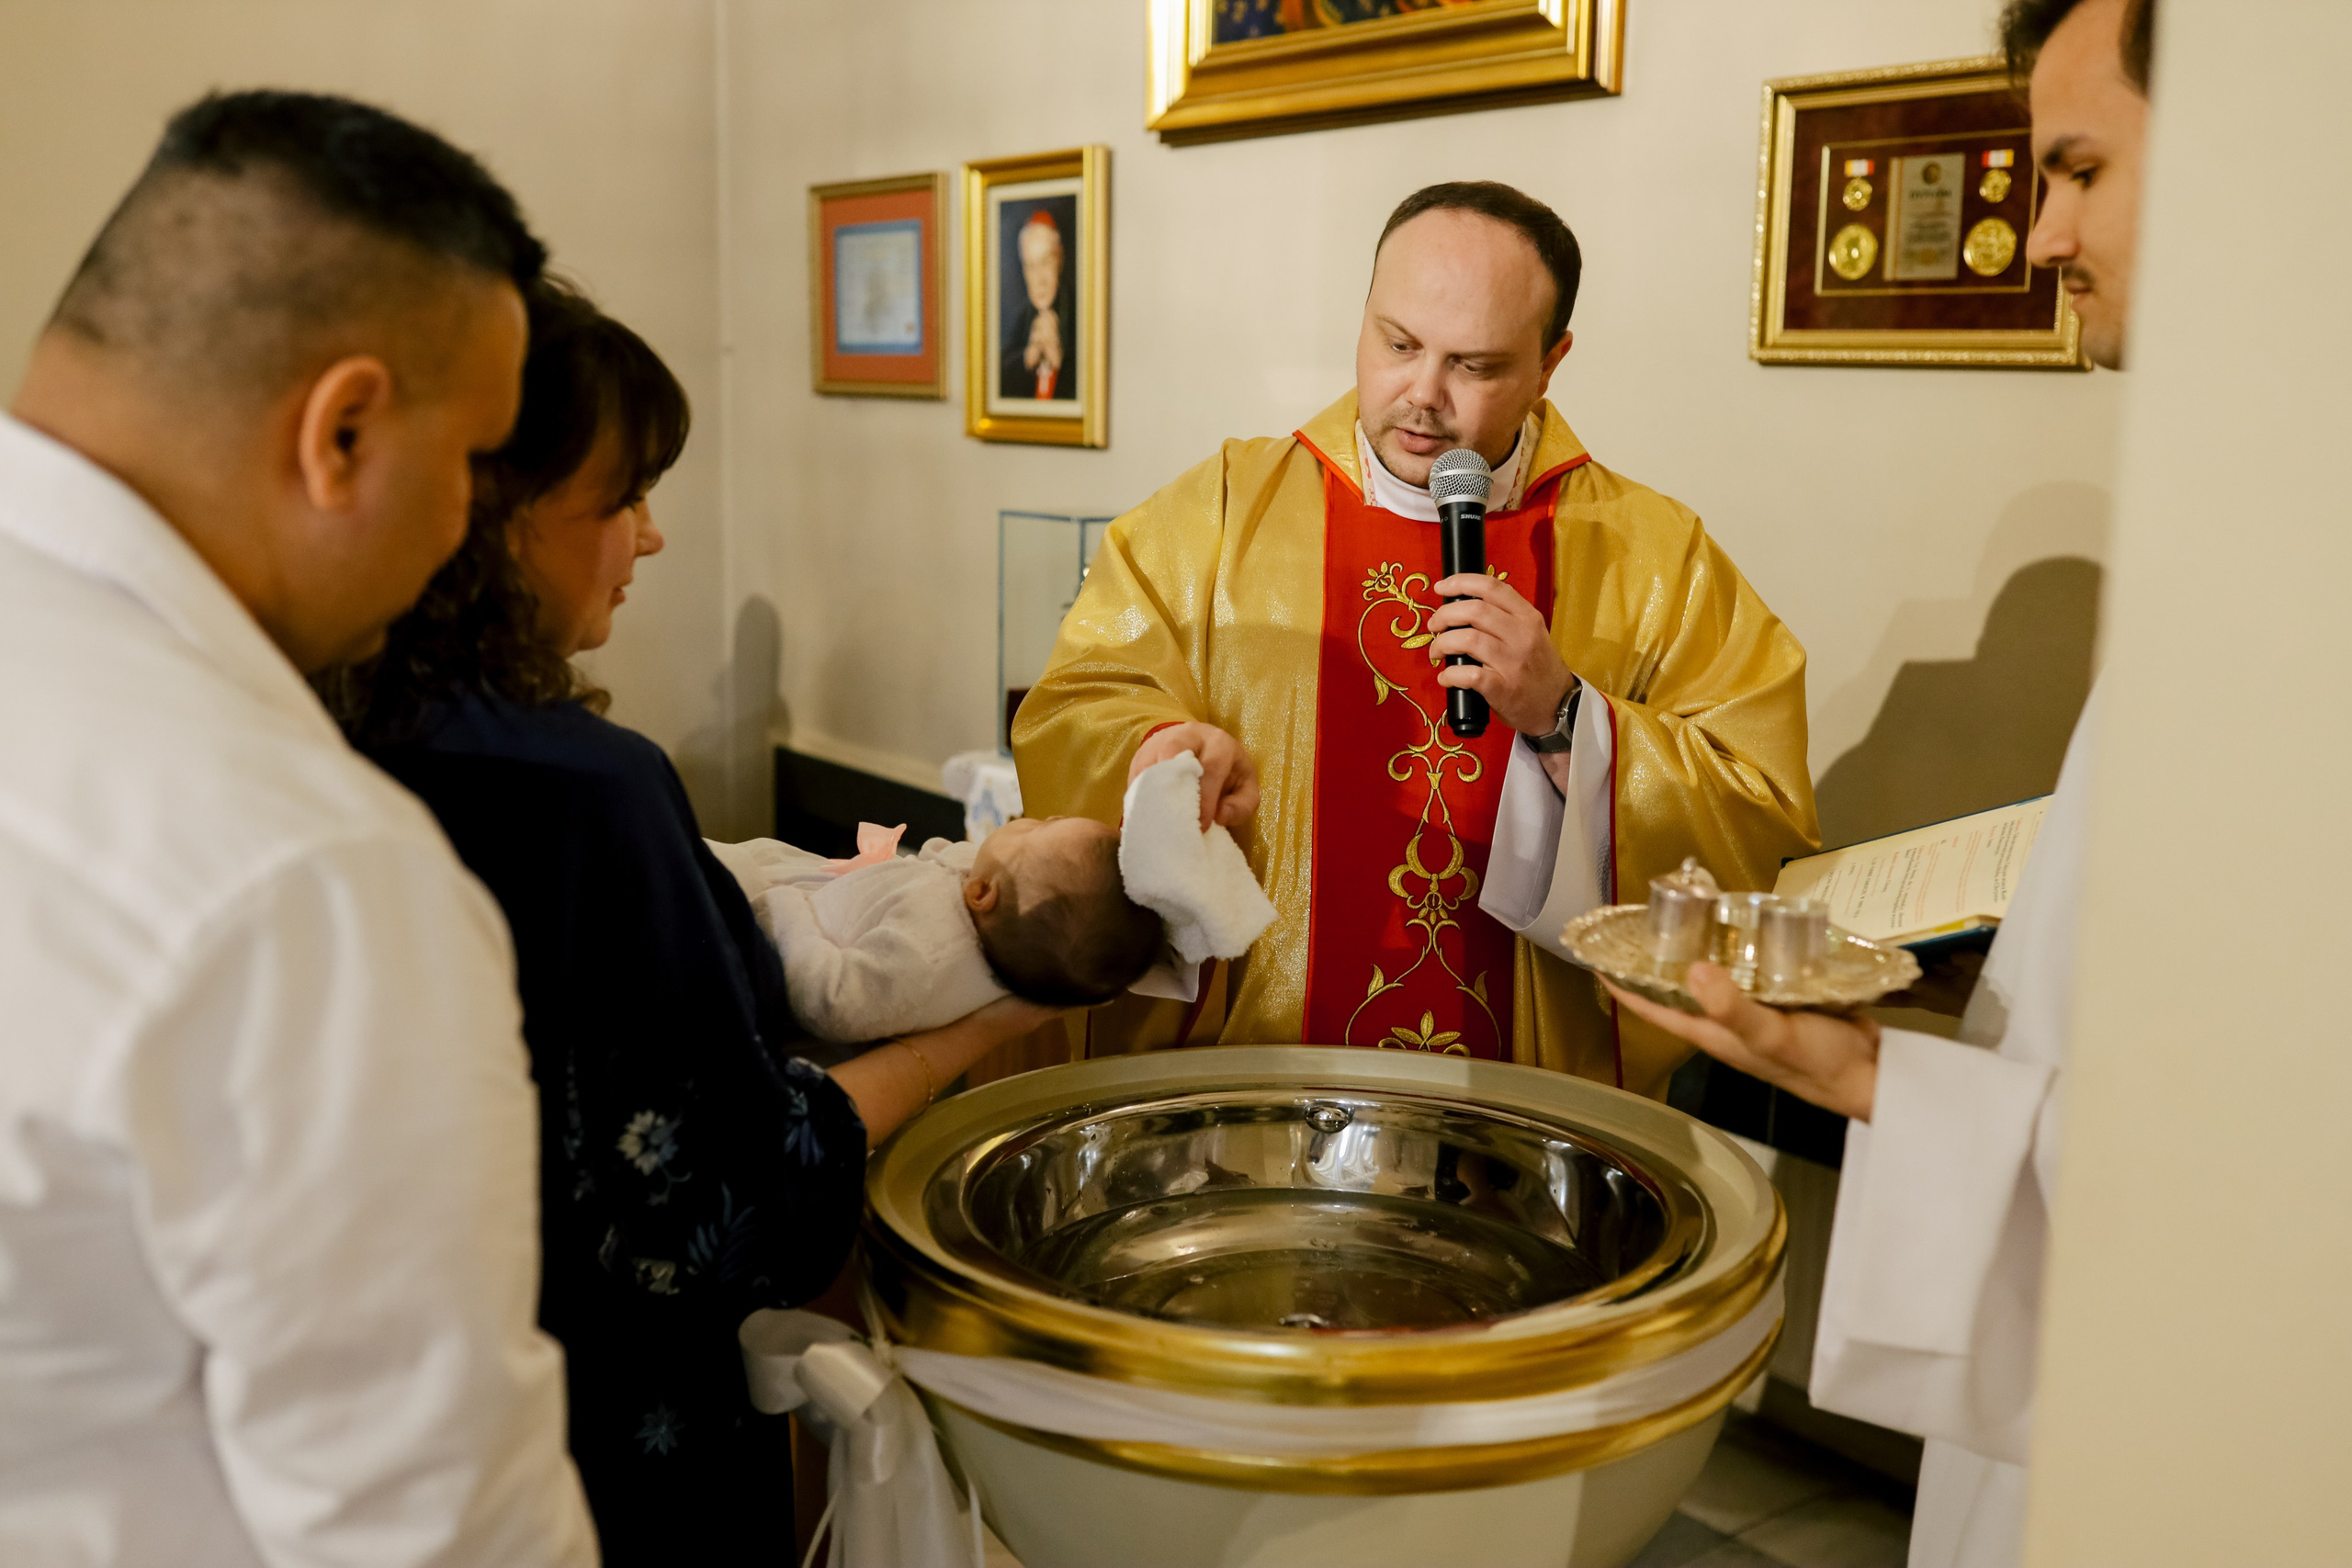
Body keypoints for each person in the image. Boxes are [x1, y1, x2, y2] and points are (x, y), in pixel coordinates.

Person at [320, 276, 1055, 1564]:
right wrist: (987, 1028)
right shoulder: (585, 794)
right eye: (623, 499)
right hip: (600, 1446)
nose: (648, 541)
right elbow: (731, 1201)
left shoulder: (315, 723)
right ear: (496, 513)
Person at [0, 92, 596, 1563]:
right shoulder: (305, 869)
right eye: (472, 459)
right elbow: (436, 1527)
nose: (466, 519)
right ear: (343, 431)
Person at [1604, 4, 2154, 1564]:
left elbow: (2221, 1153)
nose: (2041, 232)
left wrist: (1573, 719)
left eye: (2078, 169)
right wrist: (1857, 1066)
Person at [1014, 181, 1817, 1090]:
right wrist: (1157, 751)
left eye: (1474, 366)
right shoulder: (1223, 513)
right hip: (1253, 1074)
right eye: (1397, 345)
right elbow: (1078, 701)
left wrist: (1565, 717)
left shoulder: (1654, 556)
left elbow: (1757, 818)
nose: (1423, 396)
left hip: (1525, 1098)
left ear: (1550, 364)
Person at [710, 815, 1165, 1042]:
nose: (1034, 816)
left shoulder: (926, 958)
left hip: (757, 937)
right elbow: (956, 861)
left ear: (983, 893)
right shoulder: (992, 914)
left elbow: (833, 1001)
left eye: (1044, 824)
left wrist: (784, 912)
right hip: (799, 885)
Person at [1000, 209, 1075, 400]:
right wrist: (1027, 359)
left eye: (1046, 262)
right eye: (1031, 266)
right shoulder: (1020, 322)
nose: (1039, 279)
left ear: (1059, 260)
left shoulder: (1076, 314)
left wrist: (1060, 362)